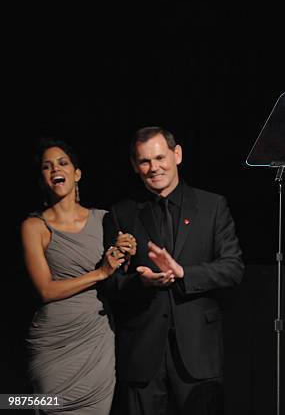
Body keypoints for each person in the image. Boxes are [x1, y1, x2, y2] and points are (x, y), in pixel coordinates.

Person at [102, 127, 244, 415]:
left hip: (198, 354)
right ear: (134, 166)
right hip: (142, 355)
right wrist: (141, 282)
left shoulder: (212, 206)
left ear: (177, 154)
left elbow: (233, 268)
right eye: (144, 161)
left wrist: (183, 273)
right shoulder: (122, 214)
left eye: (160, 157)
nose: (154, 168)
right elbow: (110, 284)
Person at [21, 138, 136, 414]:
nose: (55, 170)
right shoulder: (34, 226)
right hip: (53, 344)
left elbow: (121, 278)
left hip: (95, 340)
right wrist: (100, 272)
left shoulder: (105, 219)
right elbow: (46, 290)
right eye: (47, 167)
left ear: (77, 173)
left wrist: (127, 252)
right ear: (42, 179)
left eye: (62, 163)